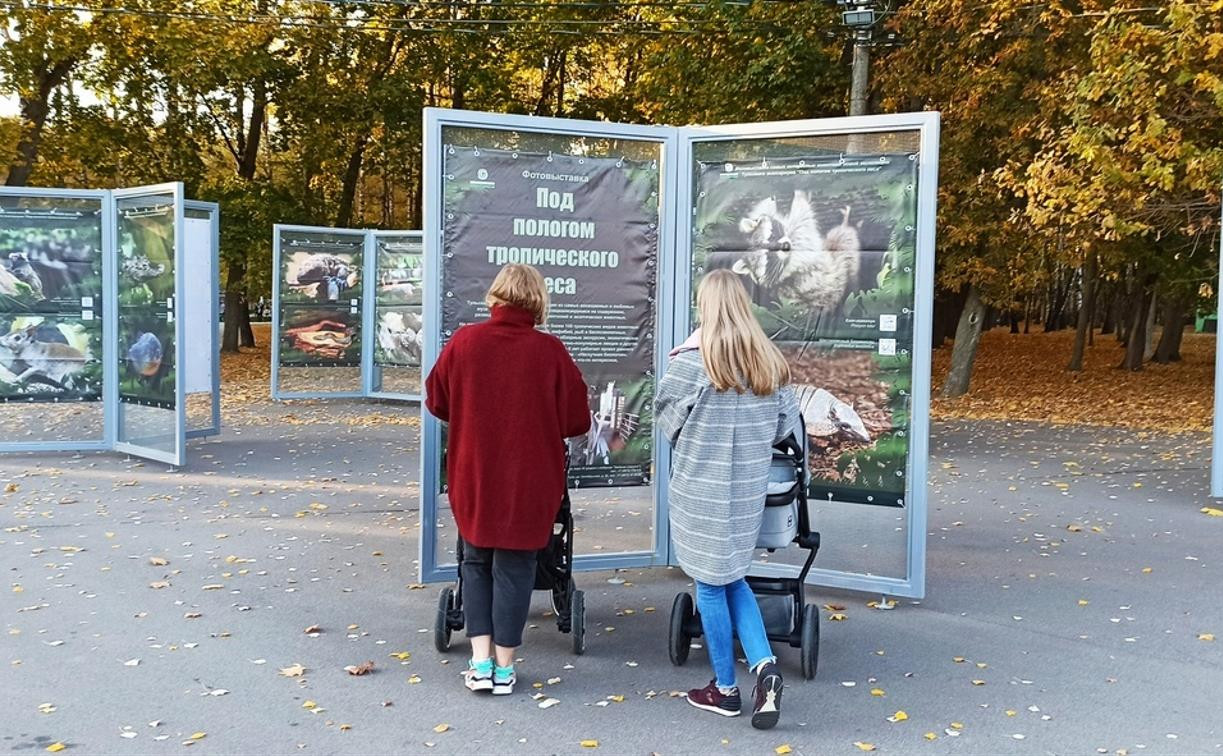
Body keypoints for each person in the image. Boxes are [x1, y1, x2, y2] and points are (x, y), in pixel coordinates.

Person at [424, 263, 590, 696]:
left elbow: (437, 400)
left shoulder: (464, 342)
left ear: (494, 297)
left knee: (475, 562)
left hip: (474, 471)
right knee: (516, 566)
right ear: (537, 302)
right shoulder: (550, 351)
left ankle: (479, 662)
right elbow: (576, 419)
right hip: (531, 479)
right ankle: (504, 667)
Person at [656, 269, 801, 730]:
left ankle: (725, 688)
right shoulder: (771, 364)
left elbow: (666, 421)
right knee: (732, 576)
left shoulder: (691, 363)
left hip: (701, 489)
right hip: (746, 493)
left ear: (707, 306)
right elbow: (785, 427)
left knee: (708, 584)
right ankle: (764, 666)